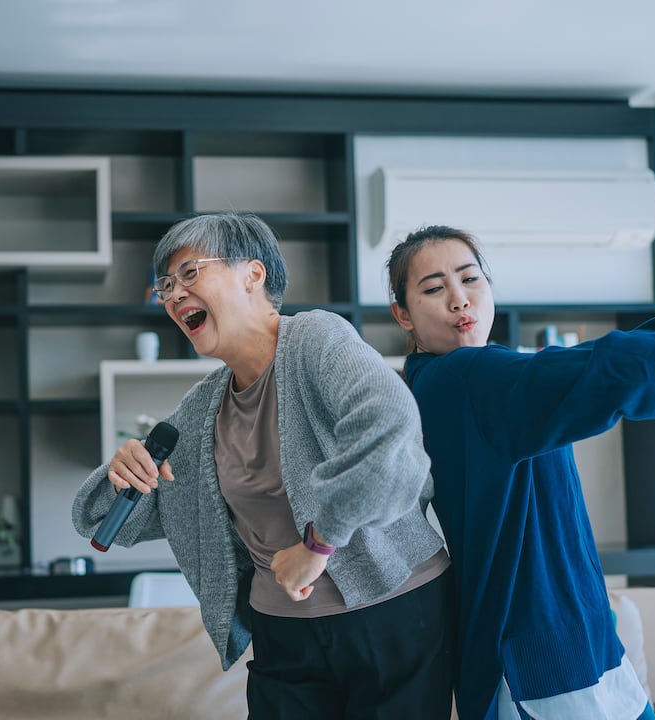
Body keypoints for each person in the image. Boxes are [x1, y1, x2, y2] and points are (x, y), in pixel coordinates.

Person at [385, 225, 655, 720]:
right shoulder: (459, 379)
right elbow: (598, 372)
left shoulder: (483, 374)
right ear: (403, 315)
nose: (459, 299)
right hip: (539, 663)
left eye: (470, 279)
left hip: (580, 643)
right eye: (434, 289)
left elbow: (587, 356)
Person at [73, 212, 453, 718]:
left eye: (190, 273)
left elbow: (391, 433)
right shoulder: (201, 409)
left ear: (253, 274)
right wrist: (120, 471)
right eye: (166, 286)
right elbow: (105, 522)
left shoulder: (317, 339)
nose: (174, 294)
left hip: (393, 608)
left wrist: (320, 543)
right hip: (284, 632)